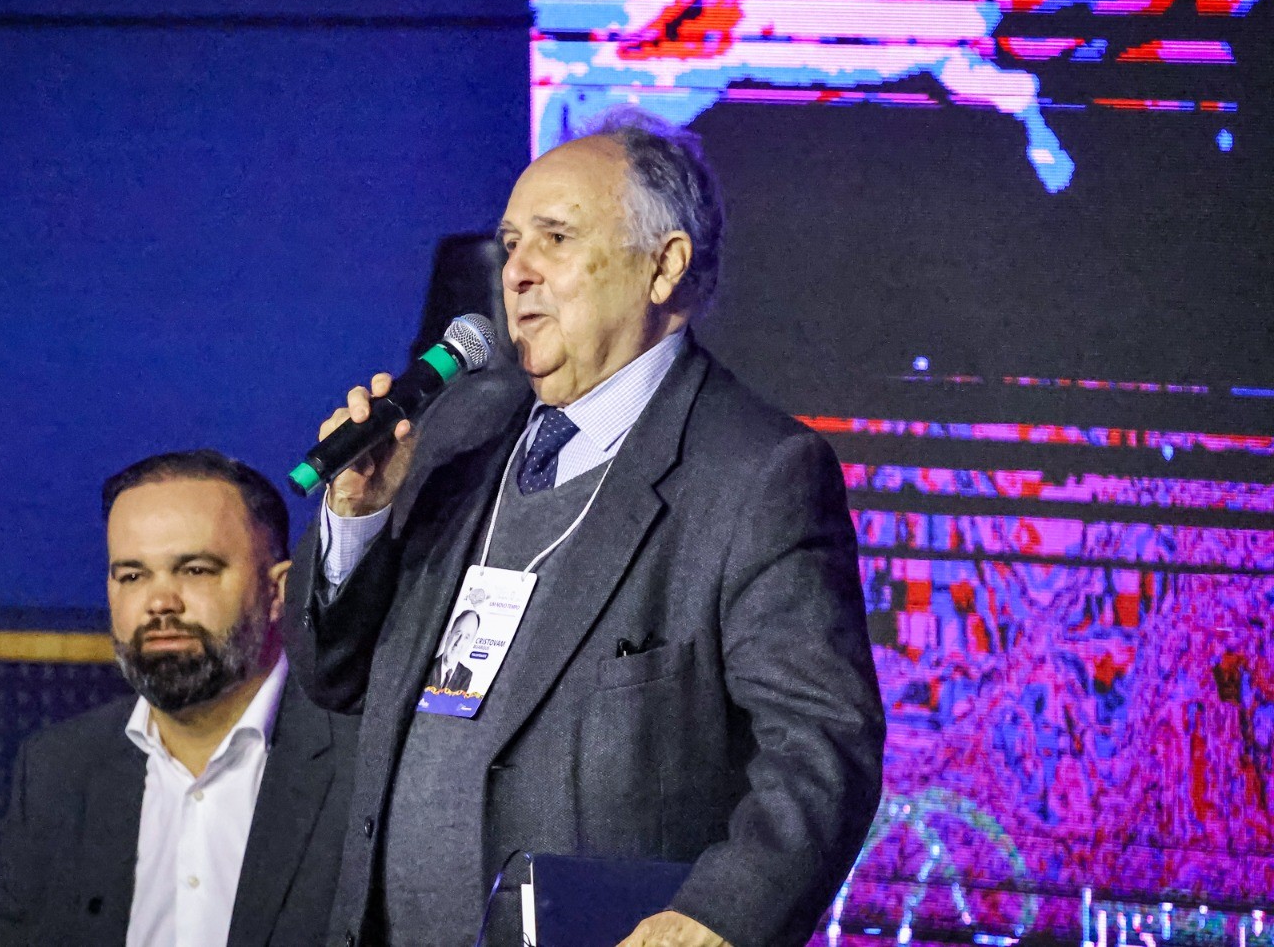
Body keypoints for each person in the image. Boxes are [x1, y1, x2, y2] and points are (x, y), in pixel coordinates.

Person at [284, 107, 886, 947]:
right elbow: (334, 678)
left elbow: (822, 746)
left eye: (555, 239)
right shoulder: (456, 435)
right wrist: (358, 518)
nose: (516, 271)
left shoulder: (755, 473)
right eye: (510, 243)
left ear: (663, 266)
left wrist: (717, 916)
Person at [0, 450, 356, 947]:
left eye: (195, 570)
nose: (159, 603)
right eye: (132, 576)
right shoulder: (57, 768)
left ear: (278, 591)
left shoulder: (361, 762)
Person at [430, 609, 481, 692]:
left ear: (469, 644)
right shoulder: (428, 666)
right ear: (448, 636)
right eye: (458, 634)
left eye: (466, 637)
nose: (459, 643)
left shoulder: (466, 675)